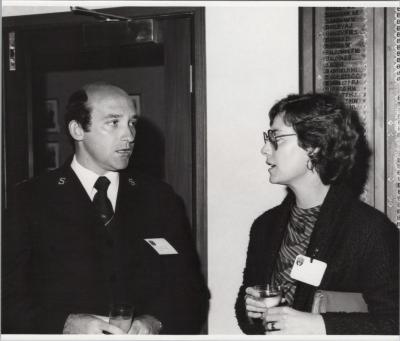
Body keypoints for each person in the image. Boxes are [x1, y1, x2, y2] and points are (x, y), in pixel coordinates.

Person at [2, 82, 209, 334]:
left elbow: (192, 291)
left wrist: (154, 322)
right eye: (114, 123)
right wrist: (63, 324)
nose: (129, 135)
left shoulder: (159, 198)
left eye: (132, 123)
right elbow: (8, 297)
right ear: (78, 129)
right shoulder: (29, 199)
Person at [235, 93, 399, 335]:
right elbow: (245, 312)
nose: (264, 149)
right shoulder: (264, 226)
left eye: (276, 139)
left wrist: (320, 325)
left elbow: (394, 323)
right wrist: (252, 311)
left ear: (314, 145)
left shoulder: (369, 230)